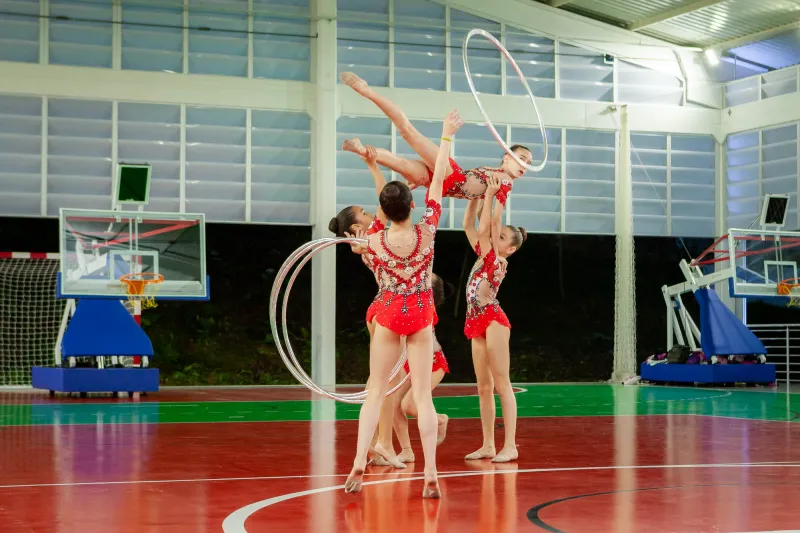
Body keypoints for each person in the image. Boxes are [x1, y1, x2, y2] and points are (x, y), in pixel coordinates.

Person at [344, 109, 464, 499]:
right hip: (421, 314)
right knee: (424, 397)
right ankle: (429, 470)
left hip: (390, 313)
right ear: (412, 207)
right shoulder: (428, 230)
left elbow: (381, 209)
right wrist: (445, 136)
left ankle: (359, 461)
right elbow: (438, 178)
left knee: (375, 391)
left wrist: (371, 164)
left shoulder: (375, 239)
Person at [339, 71, 532, 206]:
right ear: (507, 157)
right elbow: (494, 219)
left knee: (399, 163)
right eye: (521, 159)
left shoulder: (500, 183)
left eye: (529, 163)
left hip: (438, 186)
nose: (525, 165)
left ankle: (361, 149)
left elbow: (483, 215)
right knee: (408, 132)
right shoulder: (504, 179)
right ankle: (366, 90)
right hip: (450, 174)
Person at [462, 177, 527, 463]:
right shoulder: (483, 253)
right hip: (475, 321)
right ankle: (488, 444)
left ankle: (510, 445)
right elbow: (469, 225)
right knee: (483, 387)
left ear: (510, 249)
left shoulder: (497, 260)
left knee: (502, 384)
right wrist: (474, 197)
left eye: (501, 237)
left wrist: (493, 194)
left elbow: (489, 223)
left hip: (493, 320)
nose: (493, 236)